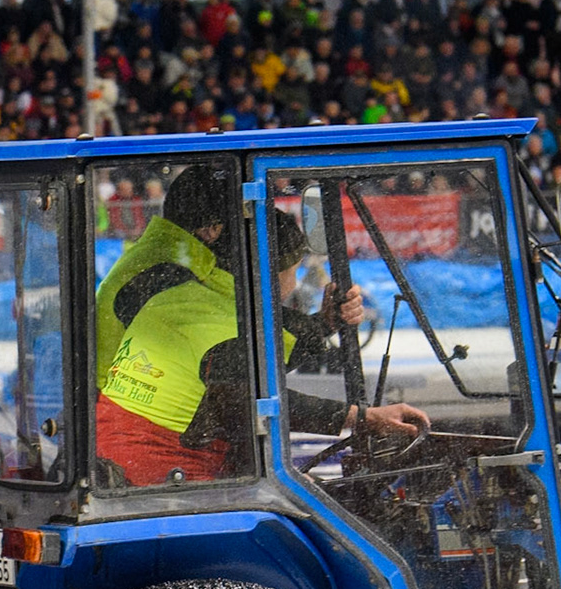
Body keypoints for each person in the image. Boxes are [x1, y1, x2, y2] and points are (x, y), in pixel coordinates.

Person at [94, 170, 427, 486]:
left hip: (118, 448)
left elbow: (247, 347)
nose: (294, 283)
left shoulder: (179, 283)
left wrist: (325, 323)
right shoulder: (199, 300)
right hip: (160, 472)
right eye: (293, 272)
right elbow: (248, 391)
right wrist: (362, 418)